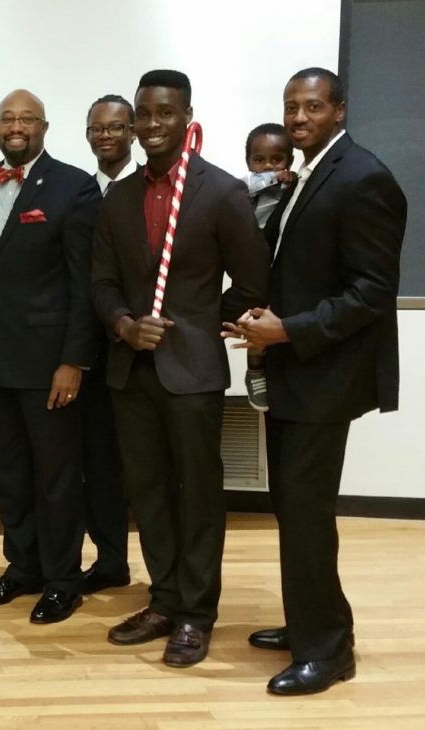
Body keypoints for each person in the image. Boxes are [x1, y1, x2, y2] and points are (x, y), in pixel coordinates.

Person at [223, 67, 405, 695]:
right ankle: (314, 624)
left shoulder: (363, 177)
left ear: (339, 110)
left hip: (326, 379)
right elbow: (290, 267)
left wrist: (288, 330)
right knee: (296, 512)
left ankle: (327, 653)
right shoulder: (305, 175)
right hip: (296, 374)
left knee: (305, 514)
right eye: (291, 108)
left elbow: (372, 293)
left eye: (312, 107)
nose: (299, 118)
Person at [91, 69, 268, 667]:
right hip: (129, 371)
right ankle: (163, 598)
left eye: (165, 113)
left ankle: (197, 612)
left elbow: (251, 282)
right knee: (150, 494)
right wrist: (122, 323)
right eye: (143, 114)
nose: (152, 125)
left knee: (197, 496)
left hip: (191, 372)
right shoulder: (117, 197)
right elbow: (103, 281)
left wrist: (194, 319)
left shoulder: (221, 192)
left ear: (187, 116)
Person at [0, 89, 102, 624]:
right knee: (11, 472)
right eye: (8, 118)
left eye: (27, 118)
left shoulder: (74, 186)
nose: (16, 126)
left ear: (44, 127)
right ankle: (21, 567)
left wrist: (74, 360)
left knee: (57, 476)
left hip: (49, 363)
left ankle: (63, 580)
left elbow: (83, 281)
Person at [76, 94, 137, 594]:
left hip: (137, 350)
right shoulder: (77, 192)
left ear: (133, 132)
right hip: (82, 350)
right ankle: (107, 559)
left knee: (131, 465)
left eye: (116, 127)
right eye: (97, 128)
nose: (105, 135)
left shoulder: (151, 190)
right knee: (91, 462)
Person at [239, 123, 296, 412]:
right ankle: (254, 369)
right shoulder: (245, 187)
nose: (267, 166)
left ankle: (264, 366)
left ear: (290, 160)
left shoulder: (295, 188)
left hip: (282, 267)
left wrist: (289, 182)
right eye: (259, 160)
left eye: (277, 160)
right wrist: (272, 178)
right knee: (254, 317)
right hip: (253, 266)